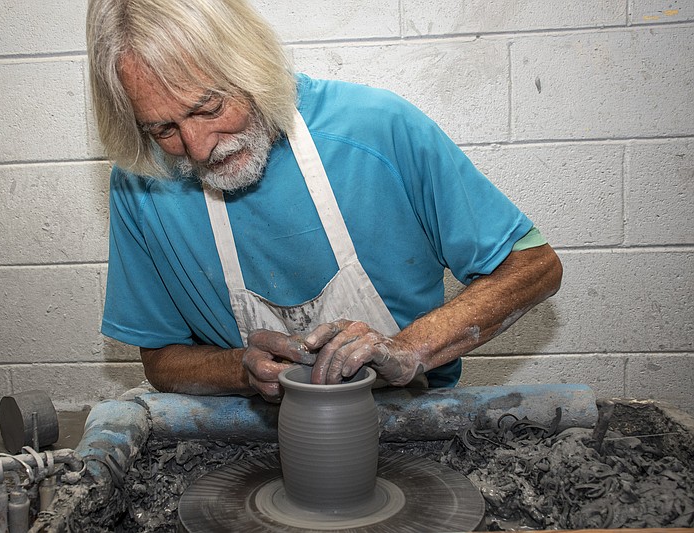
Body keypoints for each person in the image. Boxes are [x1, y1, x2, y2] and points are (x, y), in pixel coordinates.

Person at [87, 0, 563, 403]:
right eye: (164, 128)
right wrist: (239, 370)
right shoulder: (141, 182)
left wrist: (410, 349)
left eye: (208, 108)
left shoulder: (378, 129)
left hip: (411, 418)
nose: (198, 146)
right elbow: (160, 360)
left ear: (249, 66)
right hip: (255, 433)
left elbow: (535, 267)